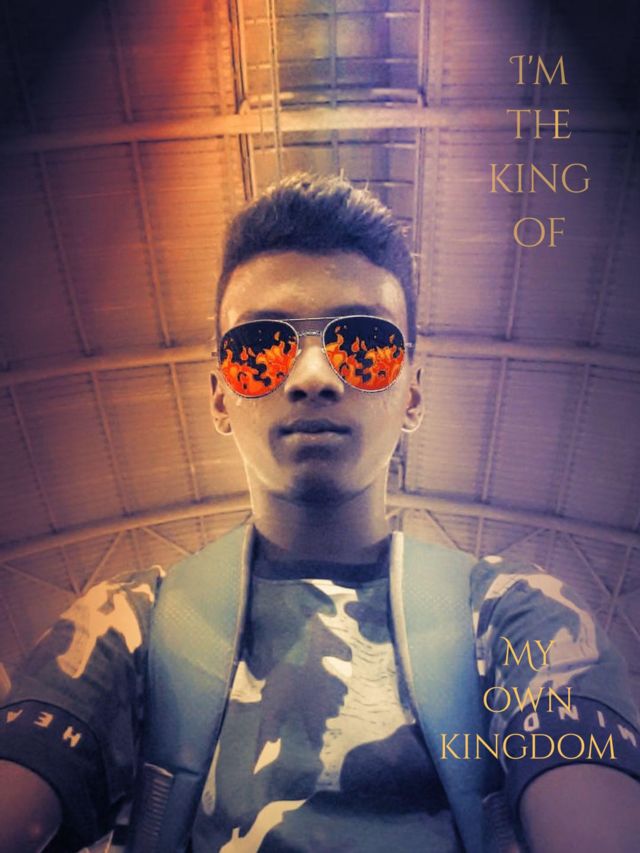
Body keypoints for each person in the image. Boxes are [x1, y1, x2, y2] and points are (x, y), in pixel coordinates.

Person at [0, 174, 639, 853]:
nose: (312, 377)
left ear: (413, 392)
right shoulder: (131, 626)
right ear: (219, 397)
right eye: (259, 348)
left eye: (364, 343)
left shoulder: (519, 615)